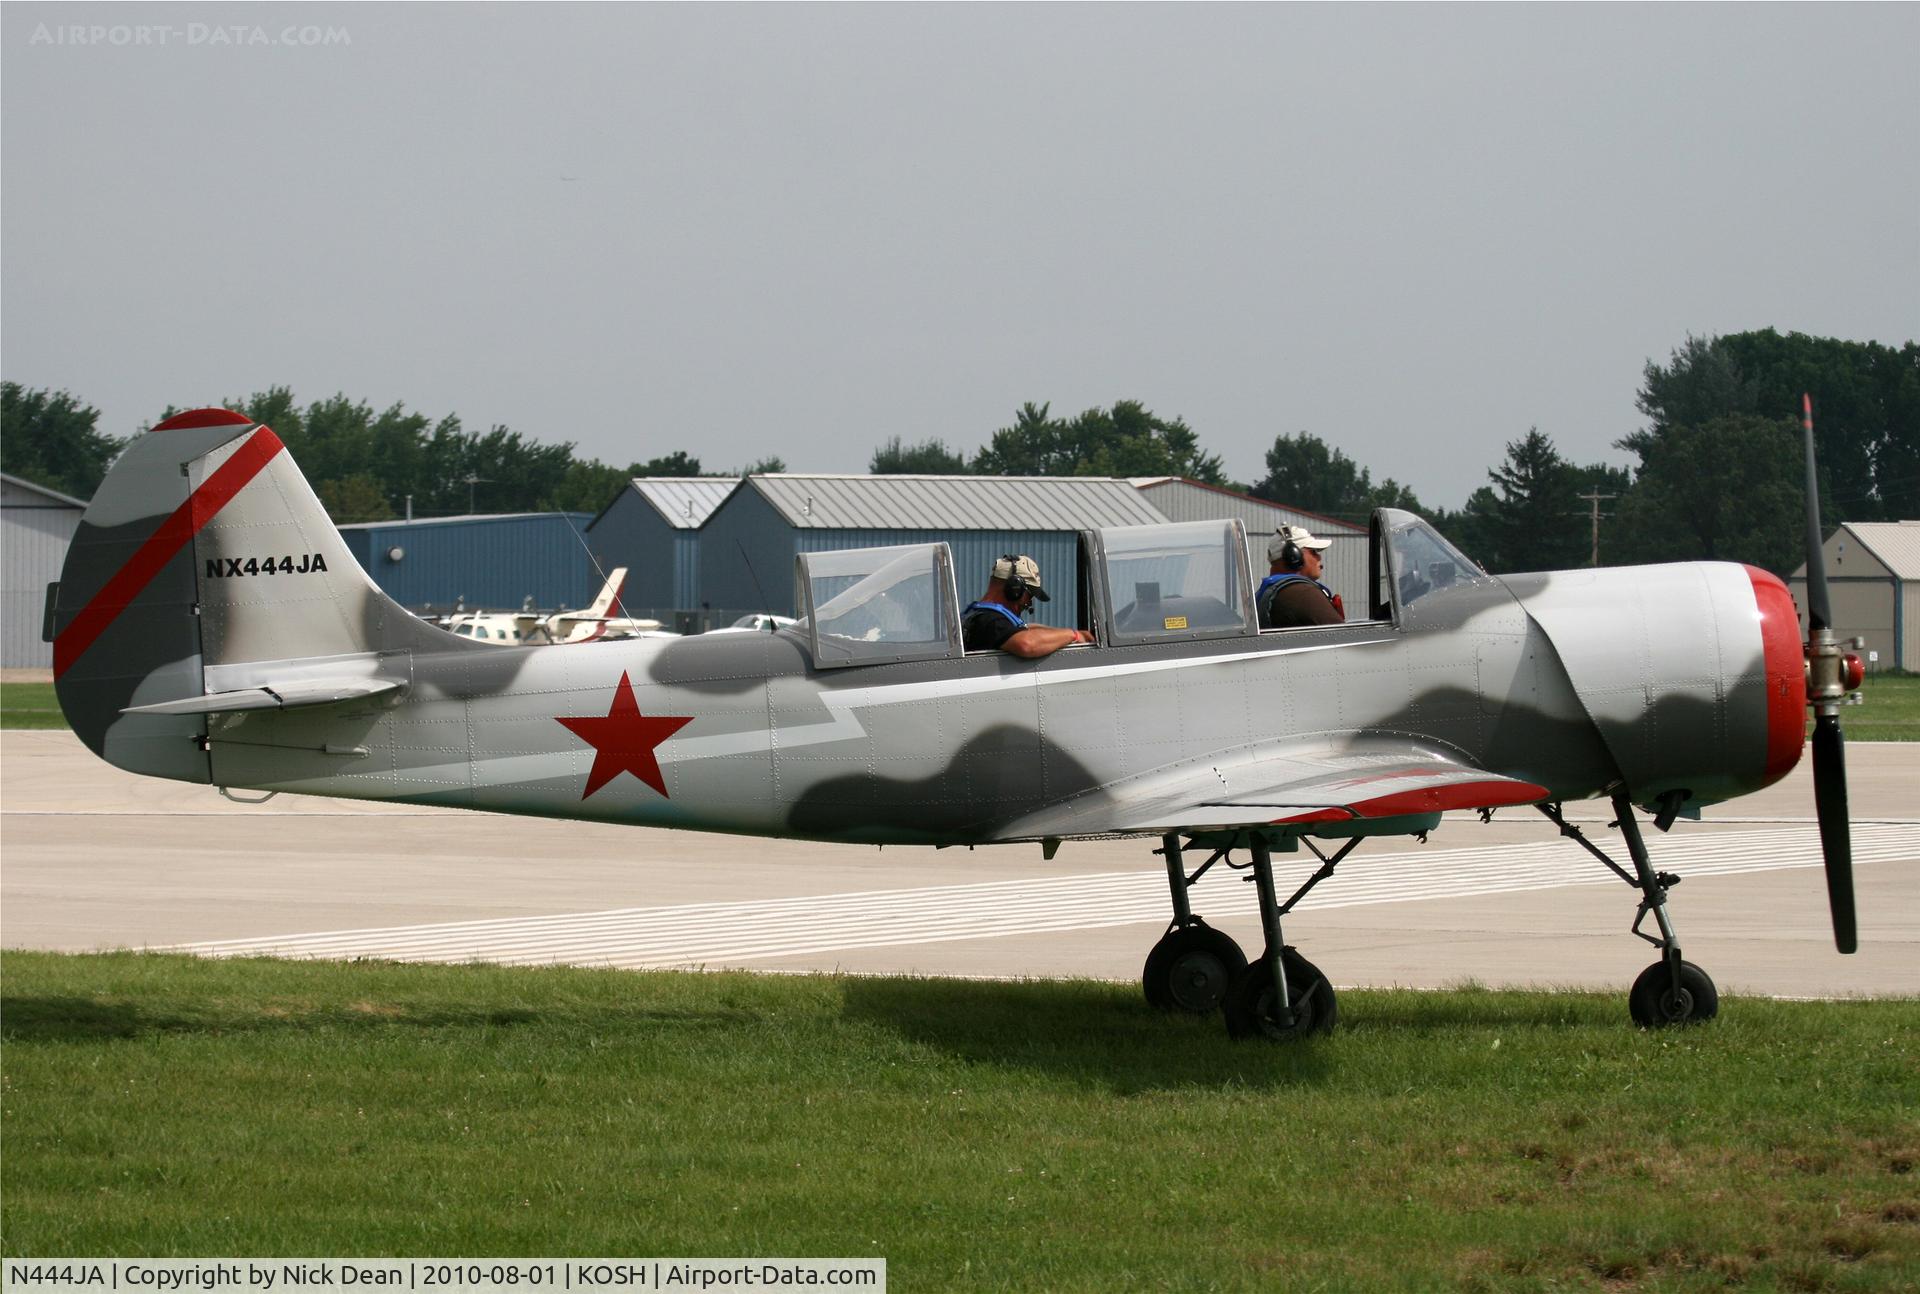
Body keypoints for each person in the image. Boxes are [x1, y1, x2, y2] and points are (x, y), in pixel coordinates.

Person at [962, 554, 1092, 657]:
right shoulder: (990, 621)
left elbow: (1026, 628)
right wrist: (1073, 635)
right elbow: (1027, 644)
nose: (1029, 603)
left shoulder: (977, 614)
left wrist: (1067, 633)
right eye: (1029, 596)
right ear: (1015, 589)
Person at [1257, 525, 1344, 628]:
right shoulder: (1302, 592)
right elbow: (1343, 636)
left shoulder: (1266, 592)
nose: (1319, 557)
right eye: (1313, 551)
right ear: (1294, 556)